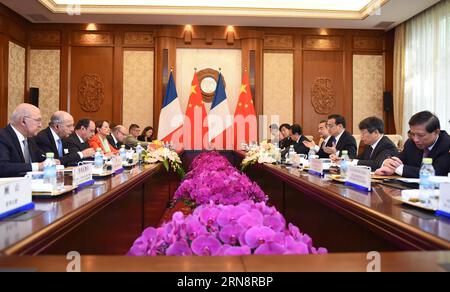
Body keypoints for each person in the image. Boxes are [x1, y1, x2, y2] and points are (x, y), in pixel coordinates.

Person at [376, 111, 450, 178]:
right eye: (412, 134)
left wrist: (399, 169)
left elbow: (436, 173)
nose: (415, 139)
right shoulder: (411, 142)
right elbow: (399, 159)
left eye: (421, 135)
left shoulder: (447, 144)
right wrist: (388, 164)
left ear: (436, 132)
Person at [332, 117, 398, 171]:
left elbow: (377, 164)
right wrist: (343, 159)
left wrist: (351, 162)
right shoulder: (369, 145)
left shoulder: (387, 145)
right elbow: (359, 158)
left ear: (375, 132)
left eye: (364, 133)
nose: (361, 136)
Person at [0, 103, 46, 177]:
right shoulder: (3, 137)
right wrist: (37, 166)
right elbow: (3, 167)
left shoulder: (30, 139)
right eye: (38, 120)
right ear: (23, 121)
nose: (40, 125)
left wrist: (51, 161)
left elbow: (41, 158)